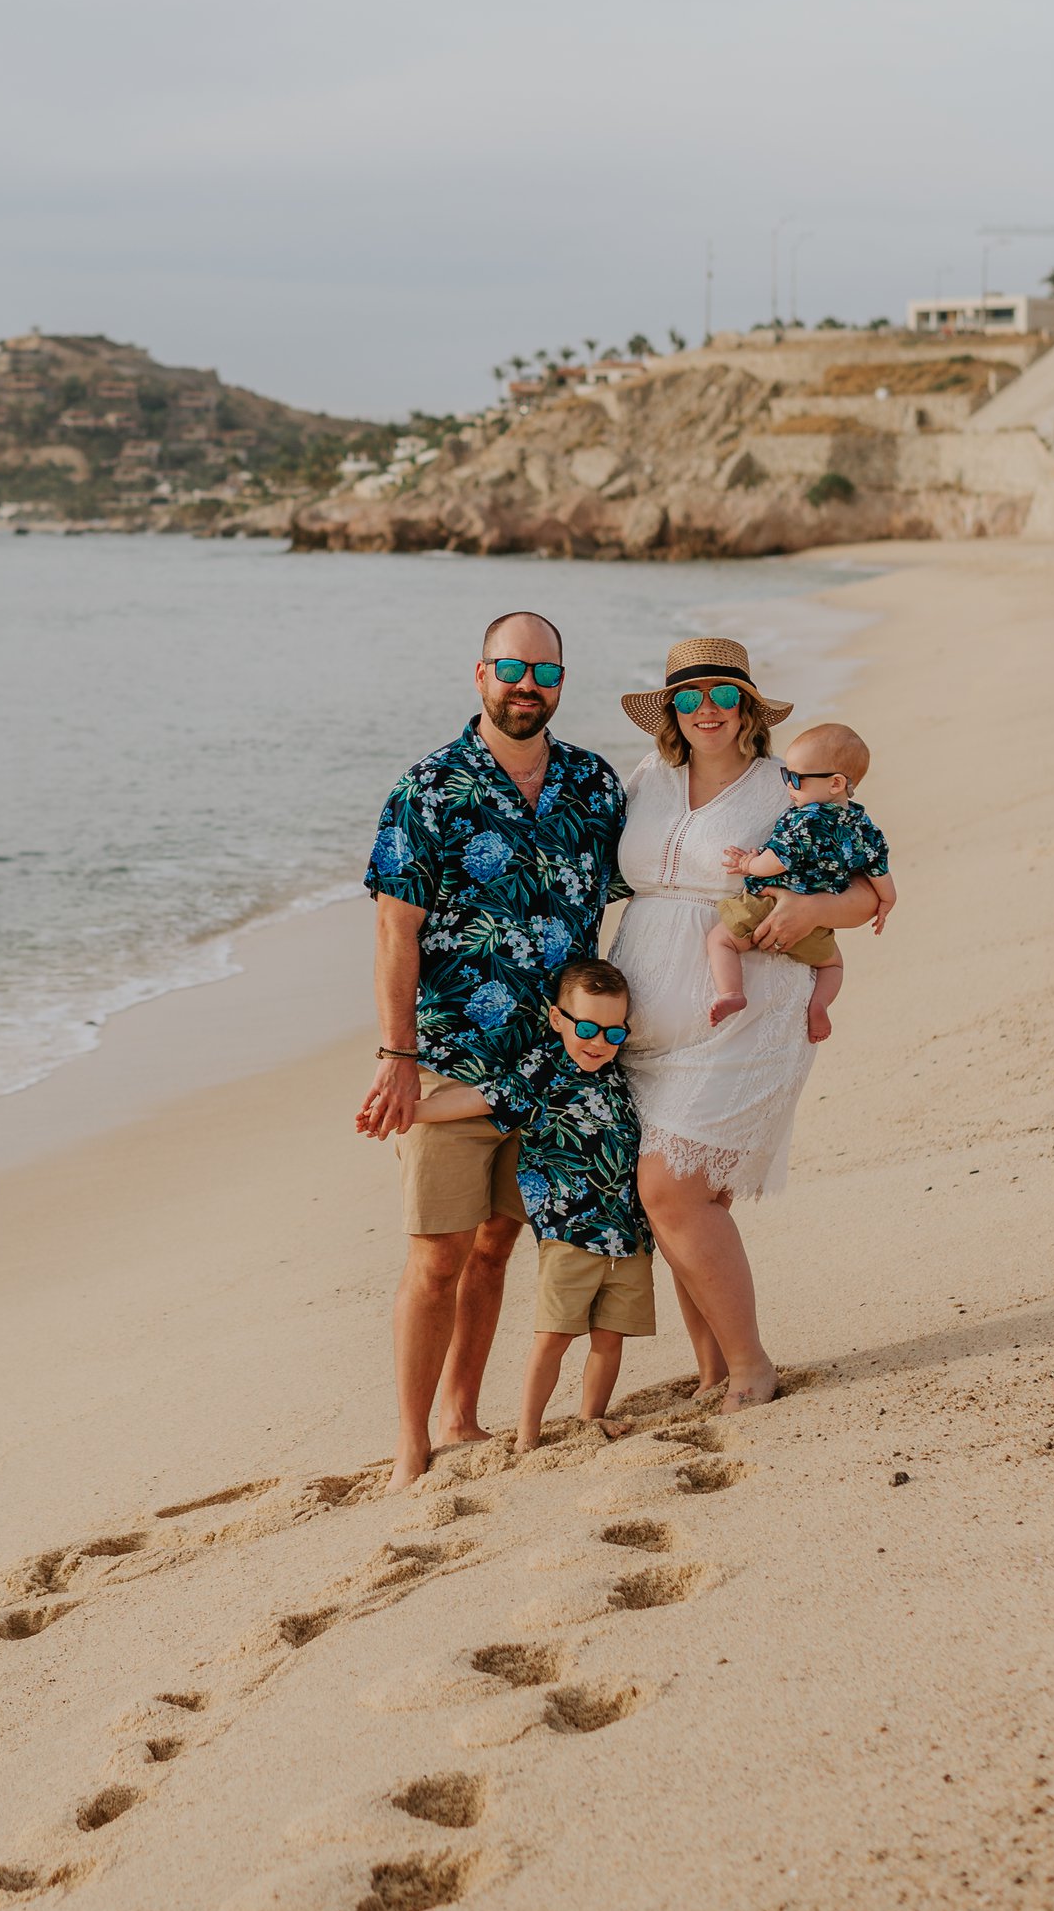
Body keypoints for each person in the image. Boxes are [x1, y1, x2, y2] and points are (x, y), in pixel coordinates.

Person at [357, 612, 627, 1489]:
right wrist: (396, 1055)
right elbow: (397, 930)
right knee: (436, 1254)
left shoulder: (593, 784)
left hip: (553, 1065)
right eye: (510, 667)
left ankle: (461, 1416)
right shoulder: (428, 788)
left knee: (497, 1244)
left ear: (559, 682)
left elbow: (662, 881)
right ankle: (410, 1442)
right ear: (480, 676)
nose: (526, 684)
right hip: (451, 1061)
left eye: (542, 671)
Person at [611, 638, 878, 1410]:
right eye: (687, 699)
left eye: (721, 695)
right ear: (669, 712)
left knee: (670, 1191)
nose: (705, 712)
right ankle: (714, 1370)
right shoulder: (647, 780)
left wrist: (812, 907)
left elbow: (864, 891)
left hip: (750, 1013)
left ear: (748, 705)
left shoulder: (784, 786)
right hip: (648, 1027)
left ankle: (752, 1365)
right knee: (692, 1204)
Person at [409, 958, 653, 1452]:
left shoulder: (618, 1072)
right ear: (558, 1019)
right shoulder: (543, 1070)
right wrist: (412, 1111)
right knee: (555, 1337)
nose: (599, 1042)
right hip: (568, 1233)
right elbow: (486, 1098)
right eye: (586, 1027)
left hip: (627, 1236)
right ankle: (527, 1436)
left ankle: (591, 1417)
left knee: (610, 1338)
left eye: (613, 1032)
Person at [710, 720, 895, 1041]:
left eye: (795, 778)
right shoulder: (866, 827)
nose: (789, 787)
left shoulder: (806, 818)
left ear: (836, 783)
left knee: (720, 941)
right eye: (786, 776)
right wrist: (887, 902)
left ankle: (731, 992)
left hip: (765, 905)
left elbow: (777, 860)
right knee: (833, 966)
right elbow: (880, 873)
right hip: (814, 929)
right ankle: (819, 1004)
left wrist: (749, 863)